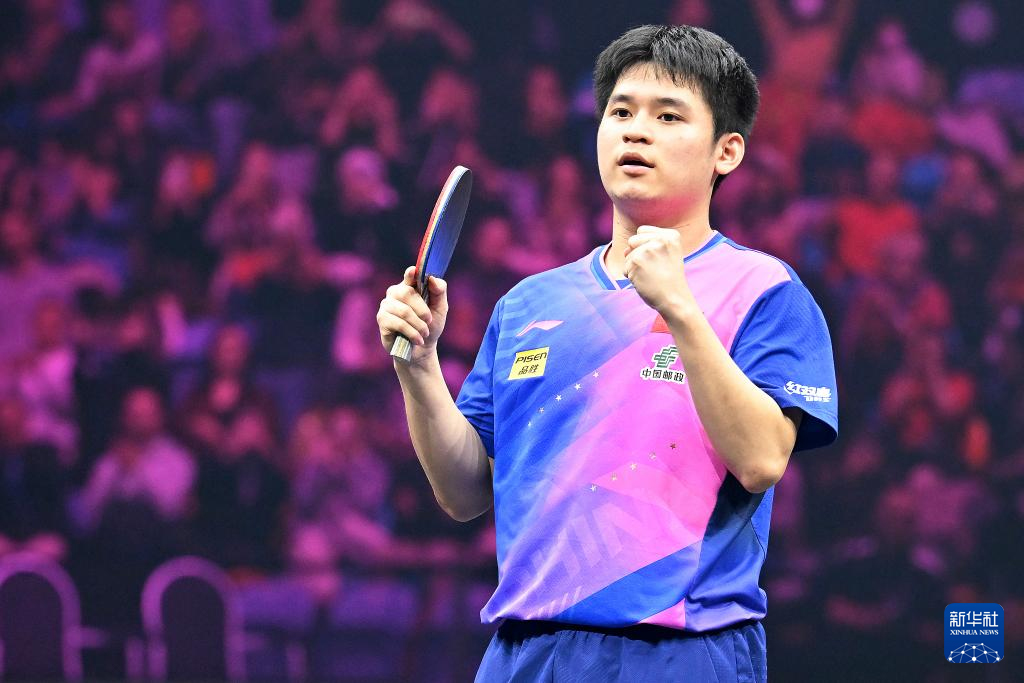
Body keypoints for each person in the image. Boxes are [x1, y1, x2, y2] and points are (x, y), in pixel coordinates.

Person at [376, 24, 838, 682]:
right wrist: (419, 366)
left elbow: (762, 460)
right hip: (524, 650)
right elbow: (463, 492)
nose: (635, 131)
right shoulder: (528, 304)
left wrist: (679, 309)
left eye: (668, 116)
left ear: (727, 151)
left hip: (678, 649)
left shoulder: (764, 291)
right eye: (620, 112)